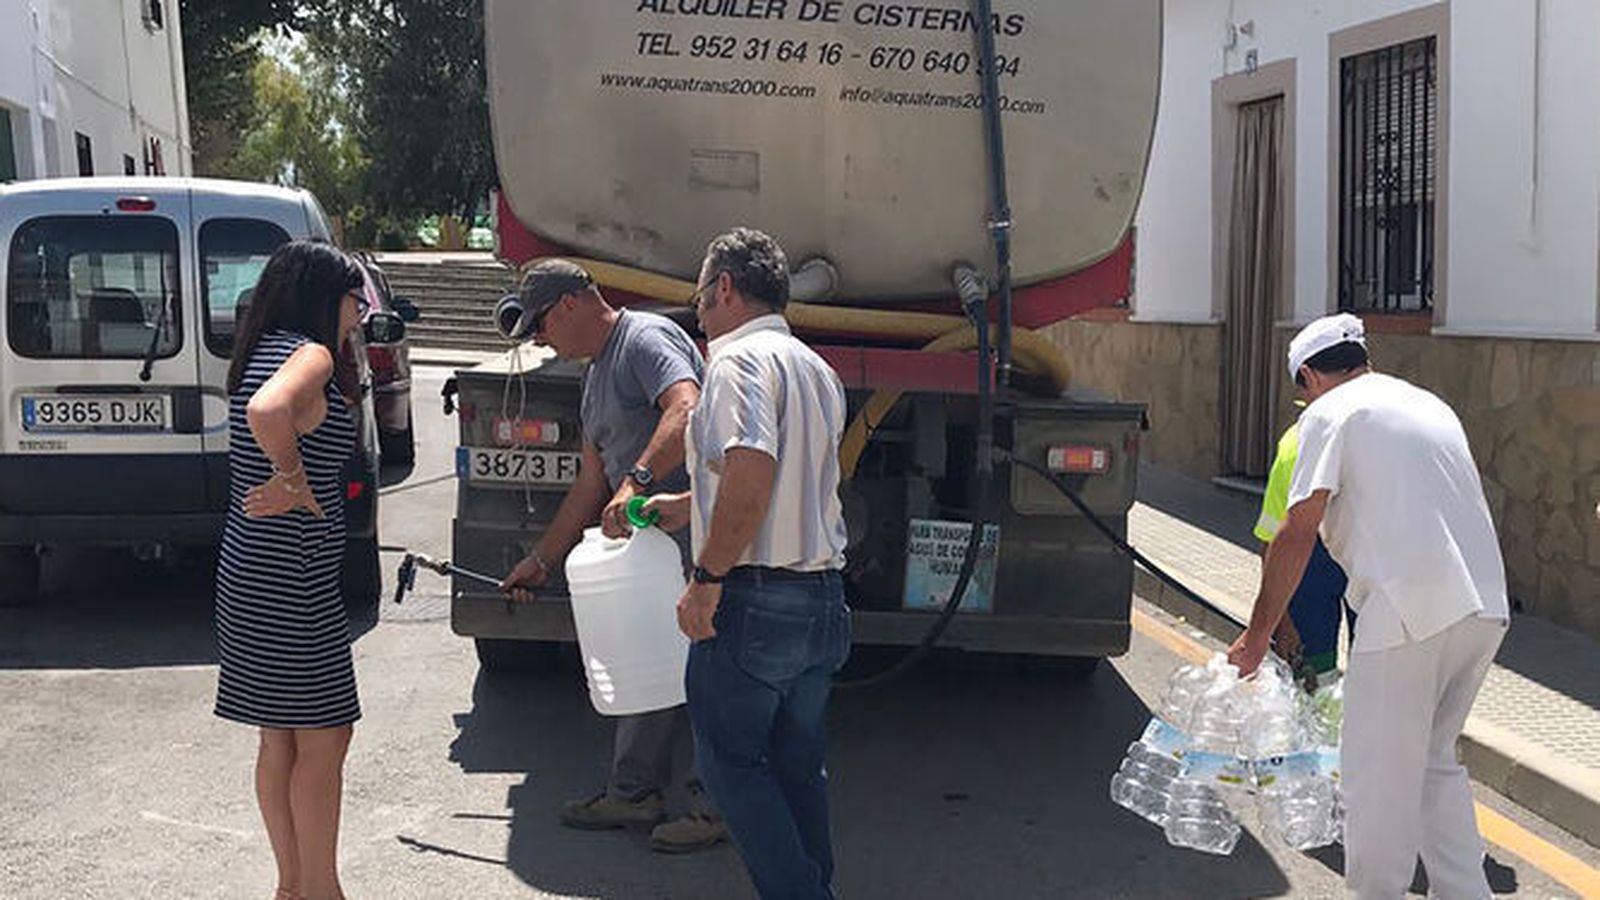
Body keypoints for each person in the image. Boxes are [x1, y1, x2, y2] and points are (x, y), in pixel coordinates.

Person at [1228, 313, 1510, 900]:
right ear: (1362, 358)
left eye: (1300, 388)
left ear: (1309, 376)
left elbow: (1296, 529)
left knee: (1373, 781)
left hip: (1408, 613)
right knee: (1433, 763)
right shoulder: (1426, 404)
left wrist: (1256, 637)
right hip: (1482, 609)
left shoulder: (1331, 414)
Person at [644, 227, 852, 900]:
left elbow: (753, 469)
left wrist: (706, 580)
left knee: (730, 767)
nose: (699, 313)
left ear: (725, 288)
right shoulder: (815, 369)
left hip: (755, 603)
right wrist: (689, 507)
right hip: (821, 600)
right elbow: (787, 481)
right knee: (799, 769)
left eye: (701, 296)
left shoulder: (735, 363)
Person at [497, 260, 725, 853]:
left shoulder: (644, 339)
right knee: (645, 659)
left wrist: (639, 482)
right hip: (648, 553)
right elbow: (590, 483)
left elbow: (687, 407)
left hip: (690, 537)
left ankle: (711, 805)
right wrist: (542, 560)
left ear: (571, 303)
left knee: (706, 668)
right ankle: (634, 794)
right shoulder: (595, 373)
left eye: (541, 325)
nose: (540, 340)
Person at [214, 241, 369, 900]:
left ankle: (292, 886)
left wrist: (289, 477)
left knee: (279, 737)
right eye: (352, 297)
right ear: (319, 297)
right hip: (292, 578)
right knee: (327, 734)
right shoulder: (310, 354)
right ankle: (322, 890)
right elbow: (268, 414)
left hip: (249, 571)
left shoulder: (260, 349)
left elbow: (263, 408)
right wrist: (295, 479)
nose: (360, 313)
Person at [1255, 405, 1351, 682]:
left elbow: (1271, 541)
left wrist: (1278, 622)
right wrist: (1280, 621)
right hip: (1315, 562)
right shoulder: (1295, 447)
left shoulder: (1294, 443)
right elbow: (1273, 541)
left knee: (1311, 678)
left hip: (1311, 562)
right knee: (1313, 674)